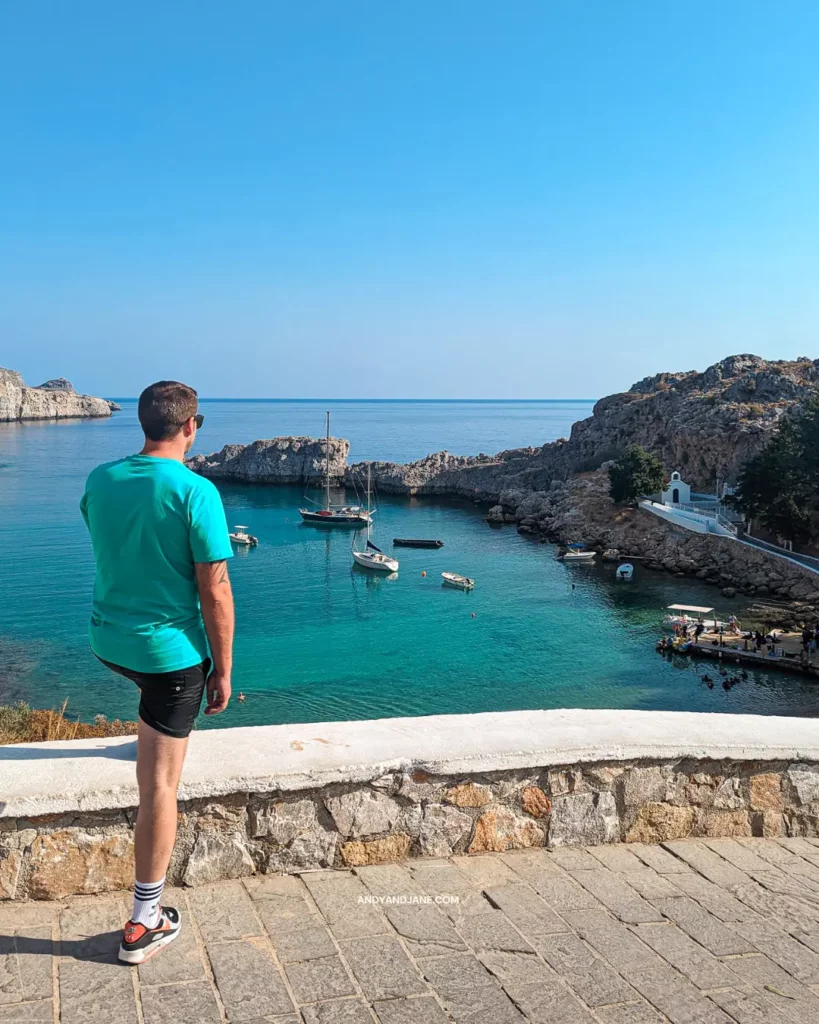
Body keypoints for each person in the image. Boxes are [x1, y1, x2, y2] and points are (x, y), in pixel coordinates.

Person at [81, 381, 234, 965]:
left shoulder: (101, 479)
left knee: (151, 717)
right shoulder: (197, 491)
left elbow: (112, 544)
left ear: (142, 423)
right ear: (192, 425)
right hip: (169, 659)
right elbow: (214, 589)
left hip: (109, 642)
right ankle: (144, 922)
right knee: (159, 788)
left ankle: (147, 736)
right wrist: (222, 669)